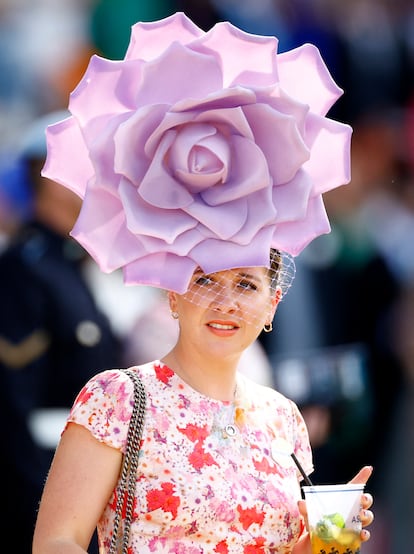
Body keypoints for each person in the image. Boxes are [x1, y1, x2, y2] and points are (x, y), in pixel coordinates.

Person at [32, 12, 374, 553]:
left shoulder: (285, 421)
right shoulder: (118, 398)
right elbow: (56, 541)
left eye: (246, 285)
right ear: (172, 292)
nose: (225, 303)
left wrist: (327, 542)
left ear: (272, 305)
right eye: (206, 281)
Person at [0, 111, 122, 553]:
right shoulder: (20, 271)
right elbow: (12, 410)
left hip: (85, 492)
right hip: (46, 498)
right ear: (49, 177)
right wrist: (41, 520)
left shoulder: (69, 267)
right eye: (84, 166)